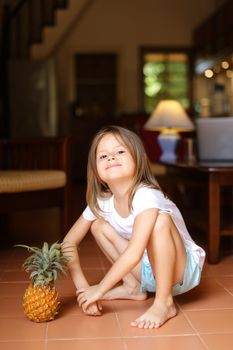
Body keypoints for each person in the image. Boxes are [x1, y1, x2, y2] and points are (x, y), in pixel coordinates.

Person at [63, 125, 205, 329]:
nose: (111, 157)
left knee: (160, 220)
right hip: (149, 270)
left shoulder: (146, 194)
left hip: (181, 271)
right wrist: (83, 288)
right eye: (103, 156)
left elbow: (134, 253)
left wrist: (100, 290)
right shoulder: (102, 201)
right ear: (95, 169)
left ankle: (164, 302)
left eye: (120, 151)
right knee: (98, 226)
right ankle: (133, 287)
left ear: (139, 160)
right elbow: (68, 242)